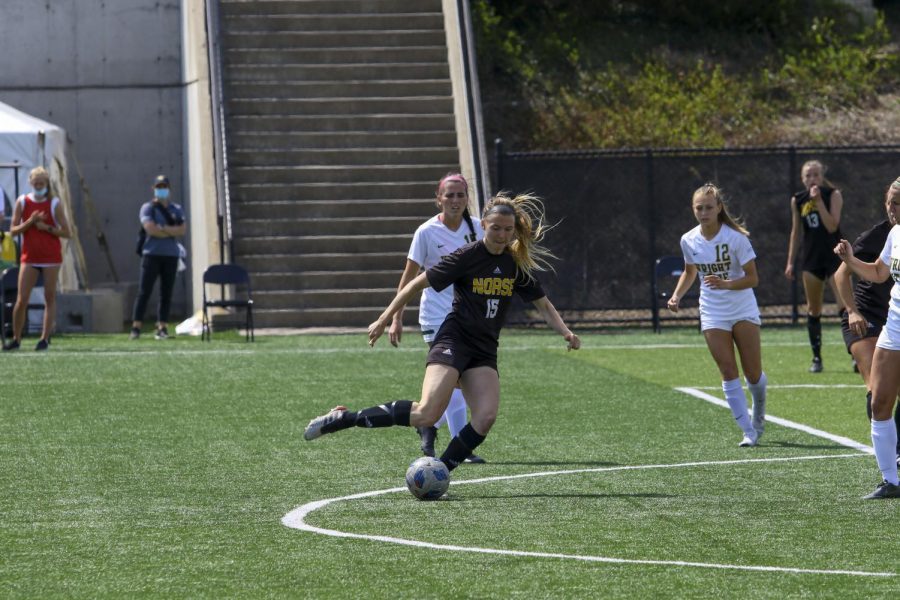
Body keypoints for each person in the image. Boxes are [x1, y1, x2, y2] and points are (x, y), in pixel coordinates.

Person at [303, 192, 581, 476]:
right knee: (427, 413)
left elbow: (543, 305)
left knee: (485, 417)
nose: (501, 234)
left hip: (484, 350)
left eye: (508, 229)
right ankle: (342, 419)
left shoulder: (514, 264)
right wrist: (385, 318)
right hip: (453, 340)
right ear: (483, 224)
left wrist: (566, 332)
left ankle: (441, 471)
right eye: (495, 227)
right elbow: (414, 284)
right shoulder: (466, 256)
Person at [389, 173, 486, 463]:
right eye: (449, 195)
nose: (455, 200)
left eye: (460, 195)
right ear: (439, 198)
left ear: (467, 198)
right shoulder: (426, 232)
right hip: (436, 317)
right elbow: (408, 279)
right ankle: (459, 446)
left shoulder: (480, 229)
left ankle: (429, 424)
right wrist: (396, 317)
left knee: (457, 382)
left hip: (469, 319)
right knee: (453, 377)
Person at [668, 183, 767, 447]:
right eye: (699, 208)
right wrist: (677, 295)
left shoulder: (736, 238)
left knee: (753, 373)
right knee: (727, 369)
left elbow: (753, 278)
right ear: (693, 210)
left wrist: (727, 284)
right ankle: (747, 430)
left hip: (742, 308)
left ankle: (758, 411)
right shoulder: (688, 239)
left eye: (709, 207)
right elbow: (690, 272)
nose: (704, 212)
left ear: (719, 208)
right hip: (712, 311)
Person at [834, 180, 900, 499]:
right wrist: (849, 259)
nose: (892, 208)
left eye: (898, 203)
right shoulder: (893, 234)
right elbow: (877, 273)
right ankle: (891, 480)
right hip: (894, 324)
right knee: (879, 401)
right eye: (889, 201)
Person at [785, 160, 844, 373]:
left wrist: (819, 201)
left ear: (822, 176)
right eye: (808, 175)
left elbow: (832, 226)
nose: (812, 179)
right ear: (802, 179)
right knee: (813, 309)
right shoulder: (798, 200)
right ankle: (817, 358)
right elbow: (795, 232)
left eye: (815, 175)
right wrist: (790, 261)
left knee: (845, 307)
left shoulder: (833, 195)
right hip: (811, 260)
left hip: (835, 258)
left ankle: (855, 356)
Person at [2, 166, 71, 351]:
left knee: (49, 297)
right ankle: (16, 339)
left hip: (50, 257)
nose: (39, 186)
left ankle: (44, 338)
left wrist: (46, 228)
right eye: (36, 183)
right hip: (30, 257)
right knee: (21, 299)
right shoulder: (22, 202)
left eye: (42, 183)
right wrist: (30, 222)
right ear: (31, 183)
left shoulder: (54, 203)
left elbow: (67, 232)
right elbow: (13, 230)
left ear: (47, 184)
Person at [130, 174, 186, 340]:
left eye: (164, 187)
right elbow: (150, 229)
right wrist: (169, 230)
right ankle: (136, 327)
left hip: (170, 255)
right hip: (151, 254)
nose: (162, 190)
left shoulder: (176, 208)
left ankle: (162, 327)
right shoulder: (148, 208)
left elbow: (182, 230)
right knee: (144, 291)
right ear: (154, 189)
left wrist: (162, 228)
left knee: (166, 292)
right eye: (159, 187)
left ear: (169, 189)